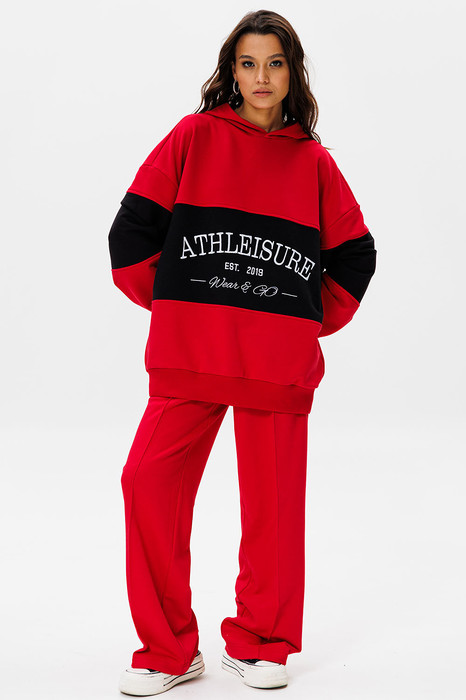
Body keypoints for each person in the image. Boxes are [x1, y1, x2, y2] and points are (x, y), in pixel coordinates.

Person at [108, 9, 376, 696]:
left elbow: (355, 255)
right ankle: (168, 650)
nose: (261, 77)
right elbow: (130, 233)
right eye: (249, 63)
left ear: (293, 74)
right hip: (191, 354)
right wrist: (179, 306)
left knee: (274, 514)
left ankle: (264, 641)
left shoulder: (313, 163)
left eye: (275, 64)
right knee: (146, 482)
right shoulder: (194, 137)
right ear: (231, 71)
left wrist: (301, 324)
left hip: (275, 367)